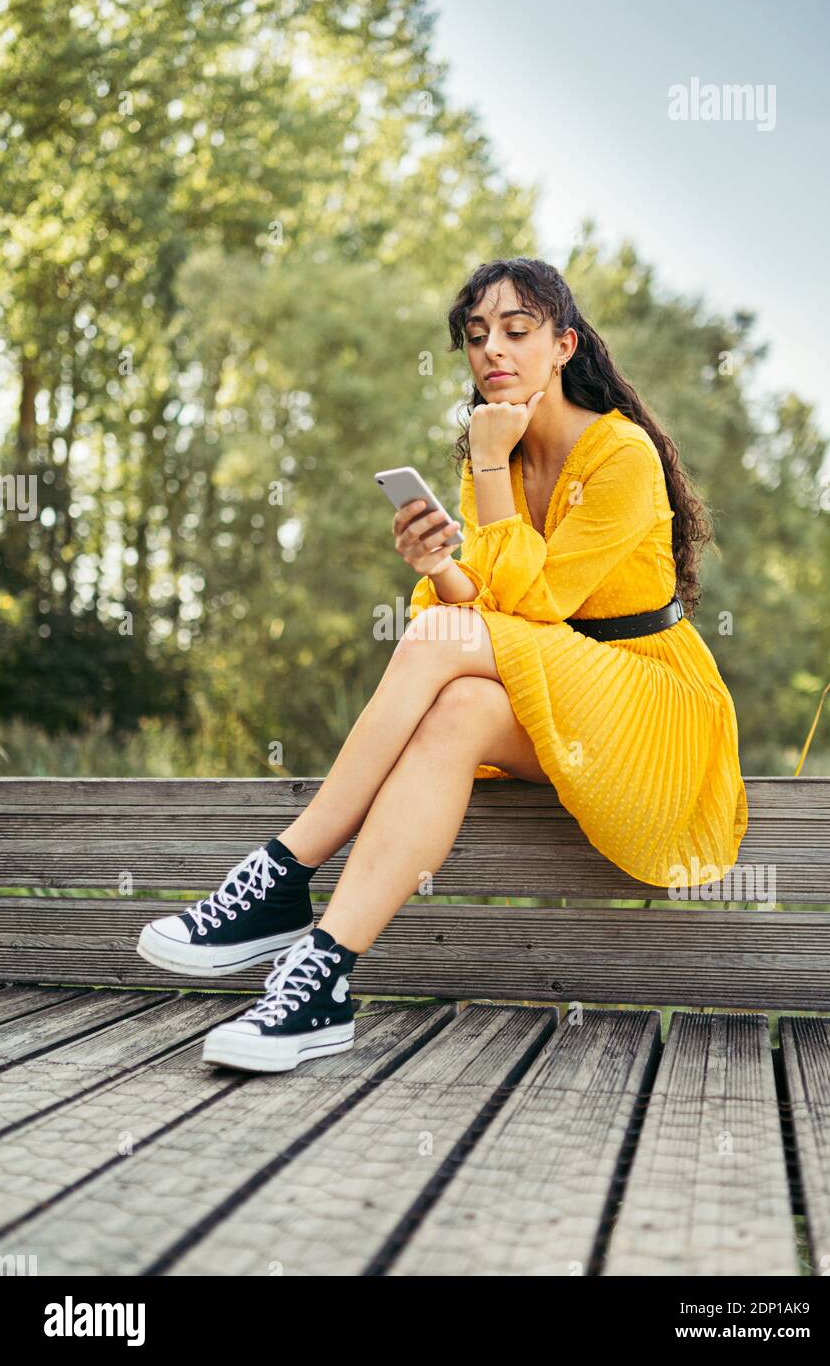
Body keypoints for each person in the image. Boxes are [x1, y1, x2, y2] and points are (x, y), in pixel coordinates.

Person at [137, 256, 748, 1074]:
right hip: (556, 694)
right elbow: (481, 603)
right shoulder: (486, 447)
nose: (492, 349)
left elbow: (532, 607)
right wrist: (438, 567)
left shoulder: (620, 456)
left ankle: (282, 870)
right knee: (456, 709)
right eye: (475, 335)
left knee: (441, 647)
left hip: (650, 707)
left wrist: (492, 468)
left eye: (517, 331)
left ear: (563, 345)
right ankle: (321, 977)